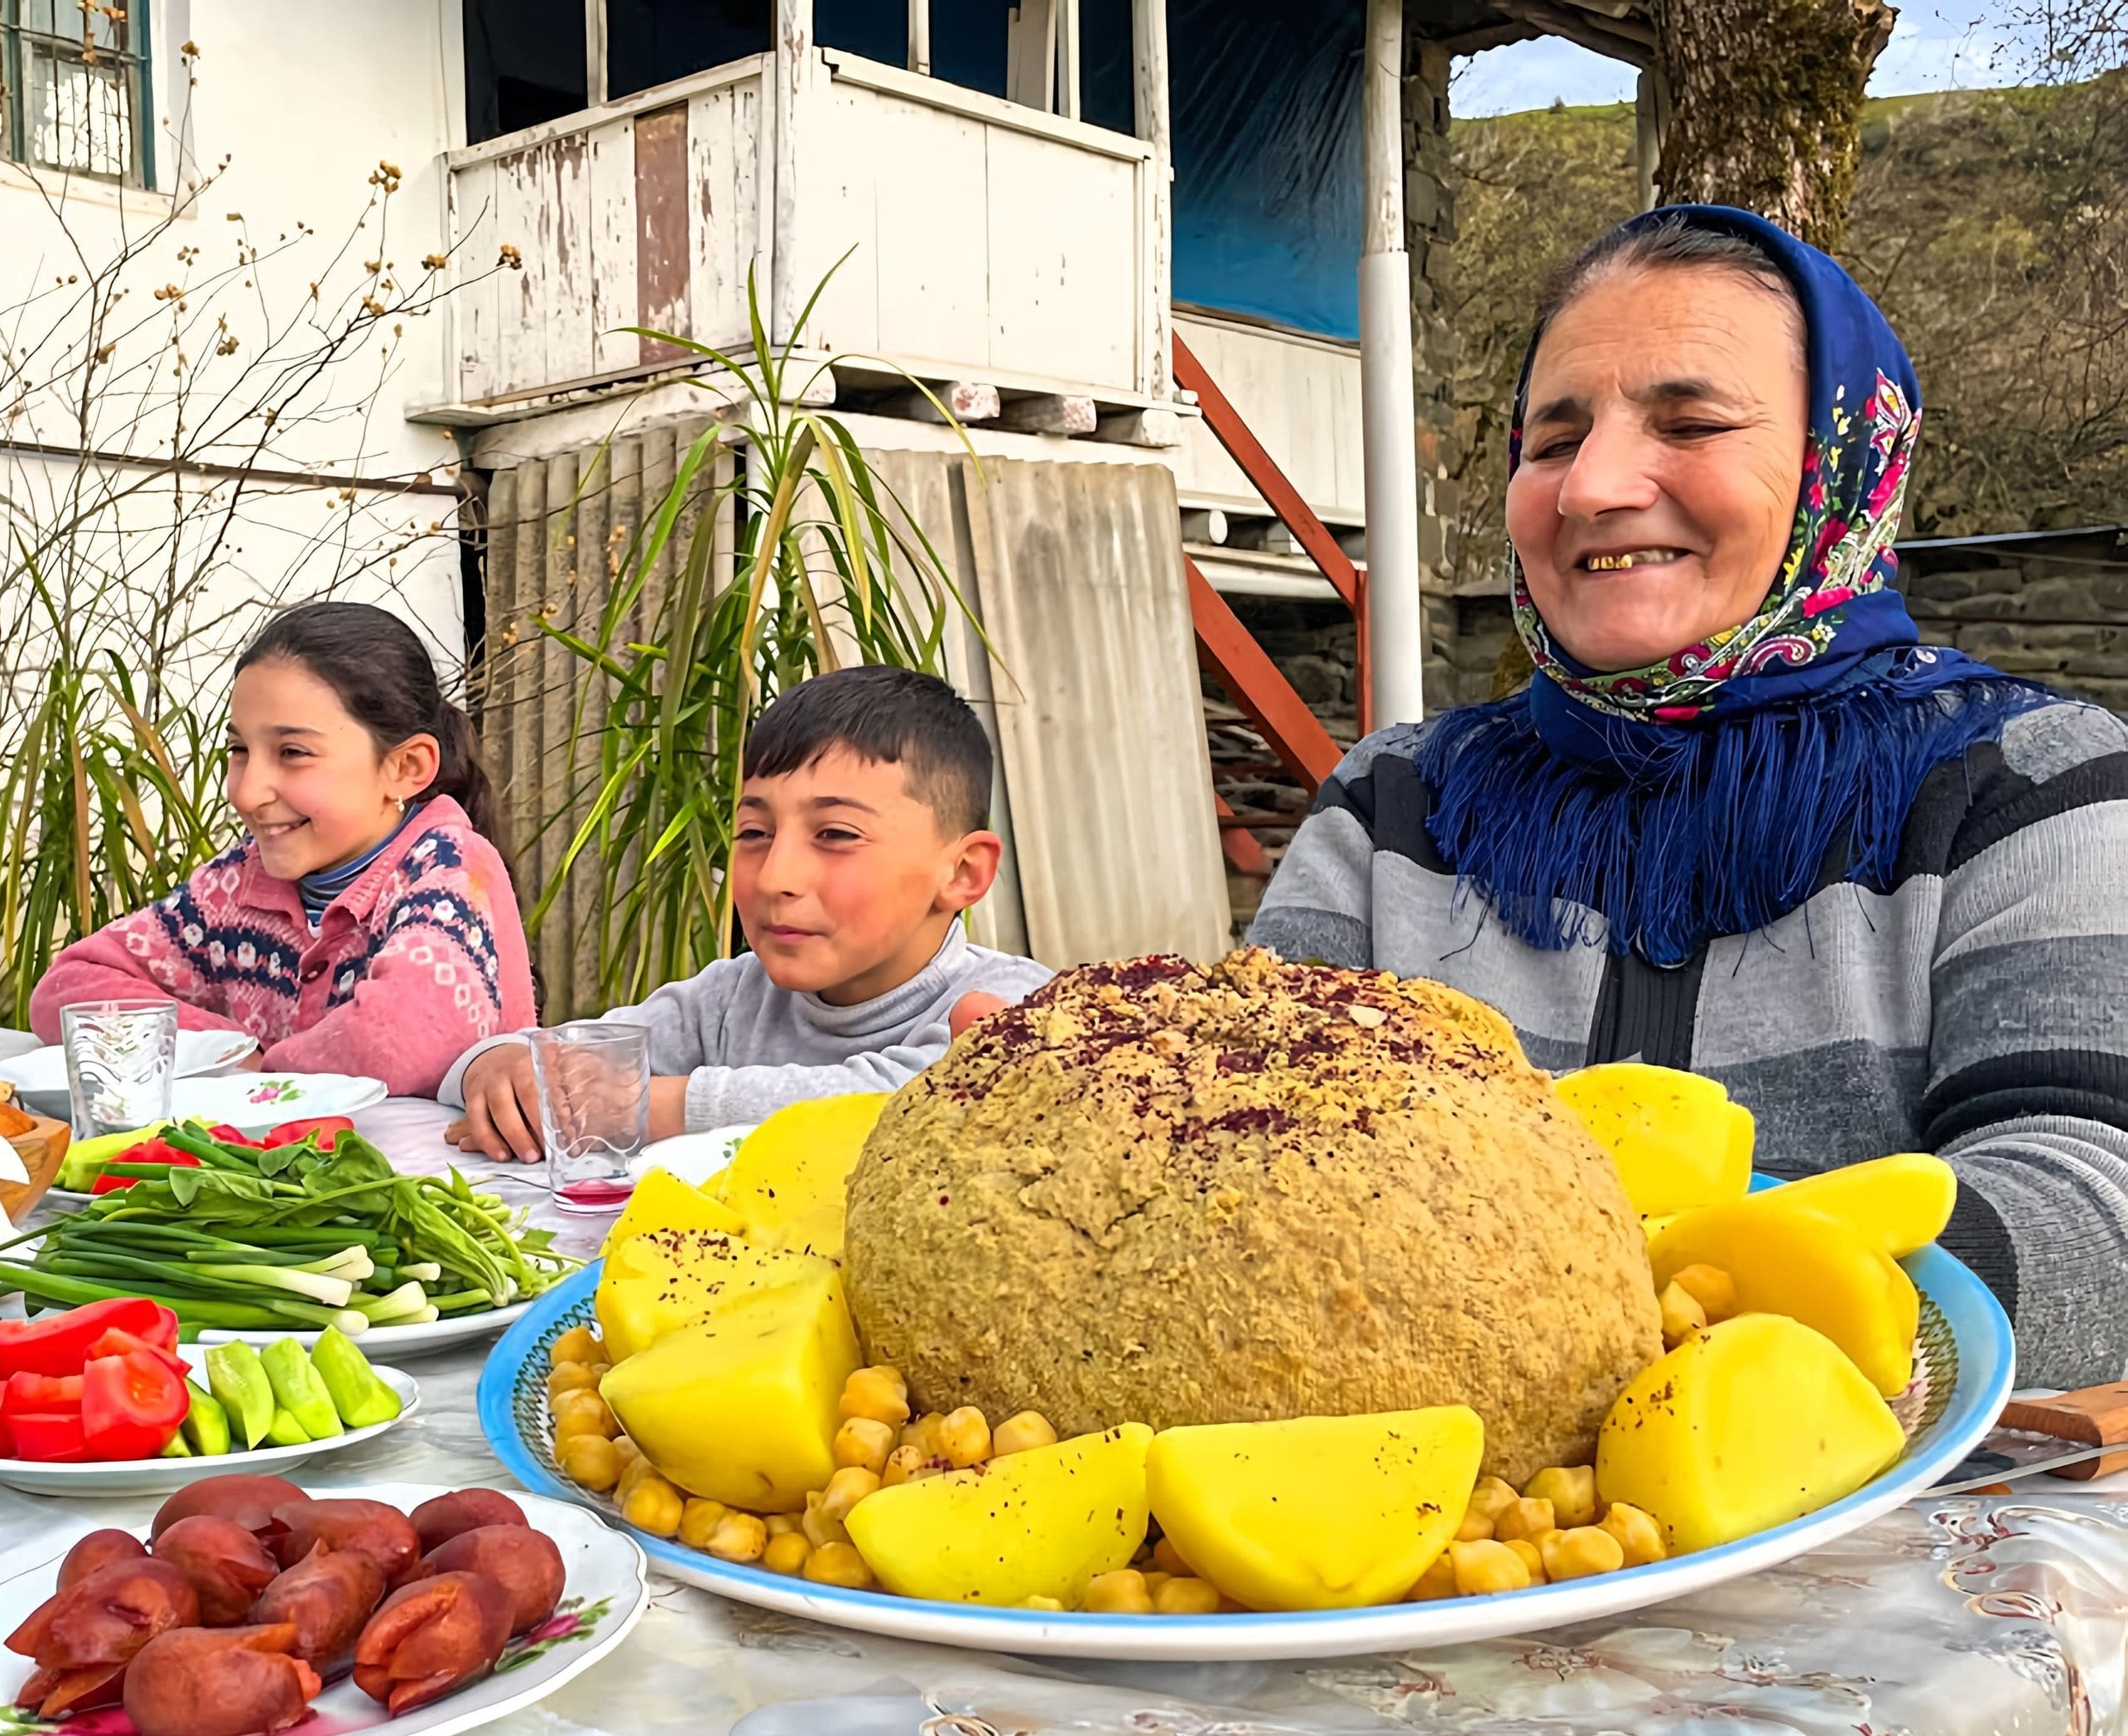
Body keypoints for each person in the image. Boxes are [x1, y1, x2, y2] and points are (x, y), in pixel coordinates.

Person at [1246, 205, 2128, 1390]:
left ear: (1843, 462)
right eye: (1552, 442)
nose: (1594, 486)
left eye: (1692, 422)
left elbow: (2097, 1223)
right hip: (1448, 1537)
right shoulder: (1393, 803)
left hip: (1904, 1552)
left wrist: (1652, 1299)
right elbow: (1257, 1147)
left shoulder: (2035, 789)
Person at [444, 665, 1052, 1161]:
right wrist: (498, 1067)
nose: (776, 876)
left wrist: (645, 1106)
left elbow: (905, 1102)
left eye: (836, 834)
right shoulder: (732, 997)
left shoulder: (1016, 1002)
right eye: (754, 832)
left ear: (963, 872)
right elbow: (573, 1056)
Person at [26, 602, 533, 1099]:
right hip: (285, 1178)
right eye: (240, 750)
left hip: (435, 1180)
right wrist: (229, 1050)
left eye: (292, 753)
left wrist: (257, 1073)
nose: (247, 793)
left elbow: (395, 1042)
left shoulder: (447, 869)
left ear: (404, 767)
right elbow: (69, 990)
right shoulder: (237, 886)